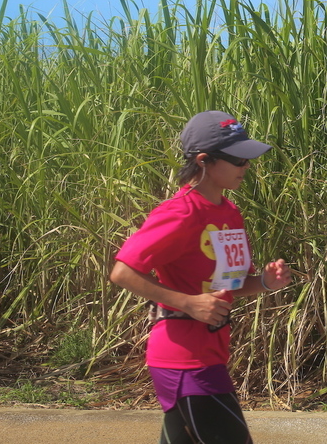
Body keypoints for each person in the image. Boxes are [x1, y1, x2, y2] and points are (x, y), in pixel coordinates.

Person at [110, 110, 292, 444]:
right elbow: (123, 272)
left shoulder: (229, 212)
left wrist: (265, 282)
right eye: (238, 159)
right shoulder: (180, 212)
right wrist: (189, 303)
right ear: (204, 160)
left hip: (210, 353)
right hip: (183, 359)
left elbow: (227, 286)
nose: (246, 166)